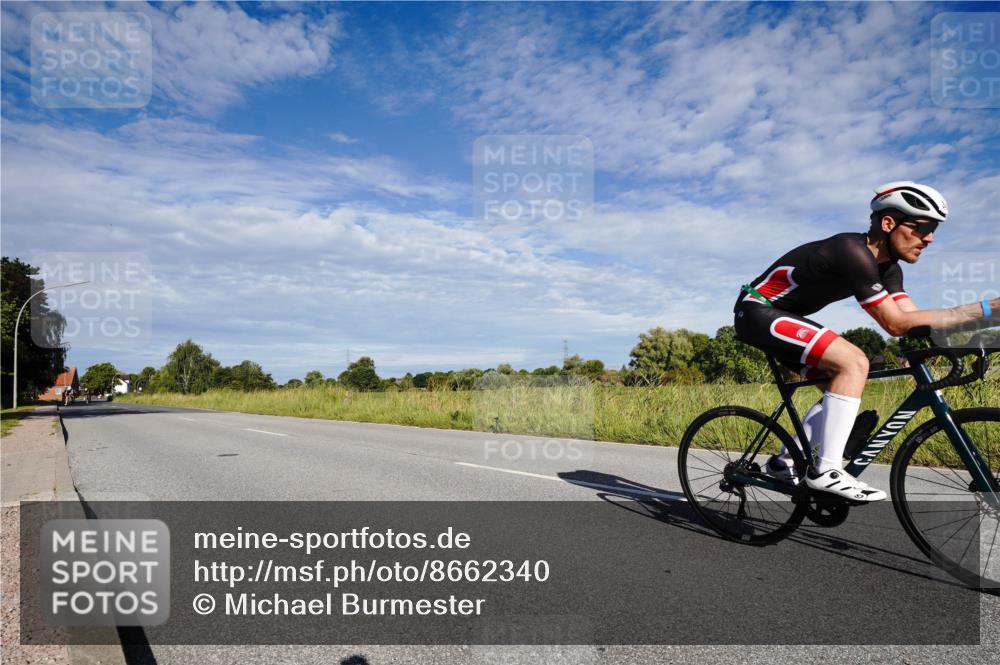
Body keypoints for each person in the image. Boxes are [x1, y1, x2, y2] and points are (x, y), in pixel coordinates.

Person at [733, 181, 999, 502]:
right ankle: (825, 471)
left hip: (787, 318)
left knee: (838, 384)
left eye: (933, 230)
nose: (929, 238)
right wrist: (987, 309)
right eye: (922, 227)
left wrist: (978, 337)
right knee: (854, 361)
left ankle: (783, 463)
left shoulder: (889, 270)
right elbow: (895, 322)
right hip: (758, 312)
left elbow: (914, 320)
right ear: (888, 224)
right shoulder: (851, 251)